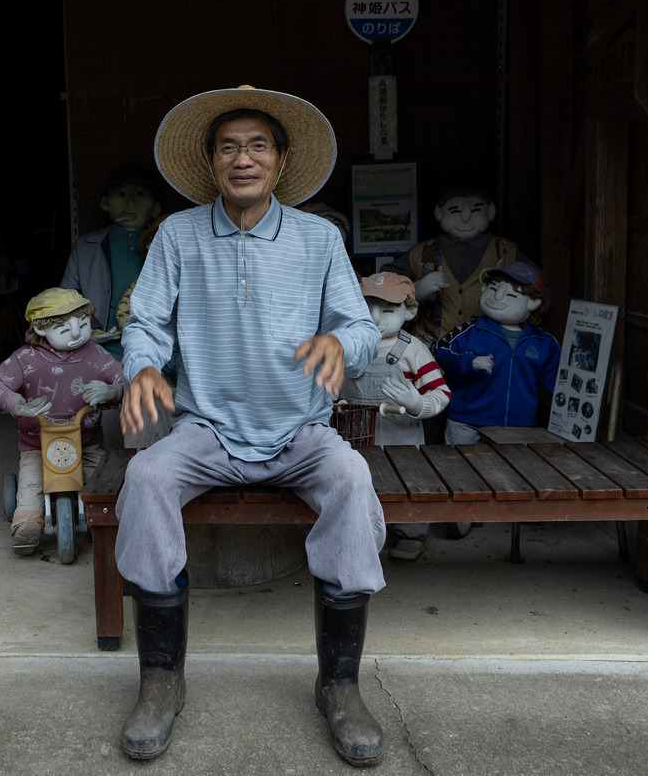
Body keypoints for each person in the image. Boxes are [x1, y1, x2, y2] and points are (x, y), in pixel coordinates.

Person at [116, 85, 386, 766]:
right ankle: (160, 681)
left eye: (257, 145)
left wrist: (342, 346)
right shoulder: (177, 235)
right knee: (146, 477)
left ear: (281, 159)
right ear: (211, 164)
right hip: (205, 429)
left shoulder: (319, 238)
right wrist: (143, 366)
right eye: (229, 147)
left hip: (300, 431)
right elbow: (144, 321)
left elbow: (360, 326)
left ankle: (341, 686)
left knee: (352, 479)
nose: (244, 158)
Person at [0, 288, 124, 554]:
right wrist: (18, 404)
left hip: (87, 443)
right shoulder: (25, 359)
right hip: (38, 444)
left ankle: (104, 524)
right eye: (64, 329)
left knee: (102, 486)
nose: (77, 334)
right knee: (32, 487)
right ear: (40, 328)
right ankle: (27, 523)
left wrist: (111, 392)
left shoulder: (95, 354)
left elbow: (123, 377)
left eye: (83, 325)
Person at [343, 273, 451, 561]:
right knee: (356, 483)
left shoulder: (414, 350)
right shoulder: (348, 345)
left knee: (406, 481)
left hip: (400, 435)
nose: (376, 319)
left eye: (388, 310)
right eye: (367, 309)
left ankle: (411, 534)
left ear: (410, 310)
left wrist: (418, 403)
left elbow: (441, 393)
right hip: (354, 434)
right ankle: (361, 534)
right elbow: (329, 381)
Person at [382, 187, 535, 349]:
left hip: (491, 351)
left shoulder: (506, 252)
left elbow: (539, 291)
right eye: (455, 211)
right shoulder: (419, 253)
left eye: (476, 210)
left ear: (490, 212)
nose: (465, 217)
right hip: (430, 354)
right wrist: (415, 290)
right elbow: (382, 288)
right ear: (439, 213)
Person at [435, 262, 560, 445]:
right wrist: (469, 362)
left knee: (511, 472)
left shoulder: (543, 342)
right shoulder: (470, 331)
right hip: (466, 422)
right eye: (492, 288)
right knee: (459, 469)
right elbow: (441, 350)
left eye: (511, 294)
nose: (497, 297)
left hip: (519, 426)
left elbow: (559, 382)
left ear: (533, 302)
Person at [60, 165, 162, 362]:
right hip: (102, 348)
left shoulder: (166, 242)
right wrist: (87, 329)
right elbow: (67, 296)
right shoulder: (86, 246)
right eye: (121, 193)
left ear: (155, 208)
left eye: (140, 194)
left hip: (157, 346)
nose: (130, 201)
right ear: (105, 203)